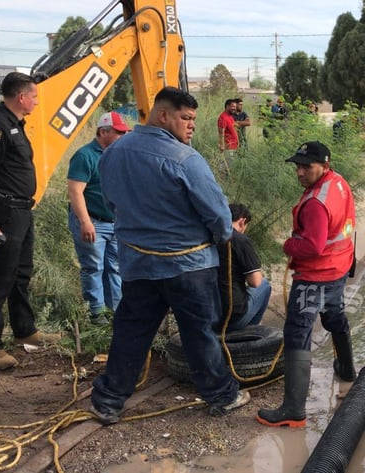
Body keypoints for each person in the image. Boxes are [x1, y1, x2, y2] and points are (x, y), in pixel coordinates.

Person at [90, 87, 250, 425]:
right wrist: (222, 237)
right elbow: (219, 217)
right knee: (199, 332)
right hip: (188, 267)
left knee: (132, 332)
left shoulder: (113, 153)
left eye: (193, 119)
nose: (191, 125)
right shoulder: (186, 159)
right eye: (185, 118)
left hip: (137, 264)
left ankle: (108, 401)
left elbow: (109, 202)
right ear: (163, 115)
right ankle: (221, 395)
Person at [257, 141, 357, 428]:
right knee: (334, 317)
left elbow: (312, 247)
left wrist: (289, 244)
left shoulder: (315, 203)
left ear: (324, 165)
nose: (300, 172)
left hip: (316, 275)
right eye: (298, 166)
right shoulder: (338, 182)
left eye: (307, 166)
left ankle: (293, 410)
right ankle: (348, 370)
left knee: (297, 333)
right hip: (339, 267)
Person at [0, 72, 57, 371]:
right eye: (34, 96)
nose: (36, 101)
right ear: (21, 97)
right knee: (0, 277)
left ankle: (25, 329)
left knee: (21, 273)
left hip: (23, 211)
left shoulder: (15, 126)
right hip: (5, 213)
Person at [67, 112, 129, 326]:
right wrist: (85, 222)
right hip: (93, 220)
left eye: (124, 132)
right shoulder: (85, 156)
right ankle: (96, 313)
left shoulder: (118, 154)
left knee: (116, 266)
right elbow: (75, 191)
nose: (123, 136)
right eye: (118, 132)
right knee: (94, 266)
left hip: (114, 222)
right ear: (103, 132)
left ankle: (116, 310)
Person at [216, 203, 271, 332]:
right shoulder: (240, 240)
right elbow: (255, 282)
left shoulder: (211, 236)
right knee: (265, 285)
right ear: (242, 221)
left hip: (208, 315)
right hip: (232, 317)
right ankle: (249, 332)